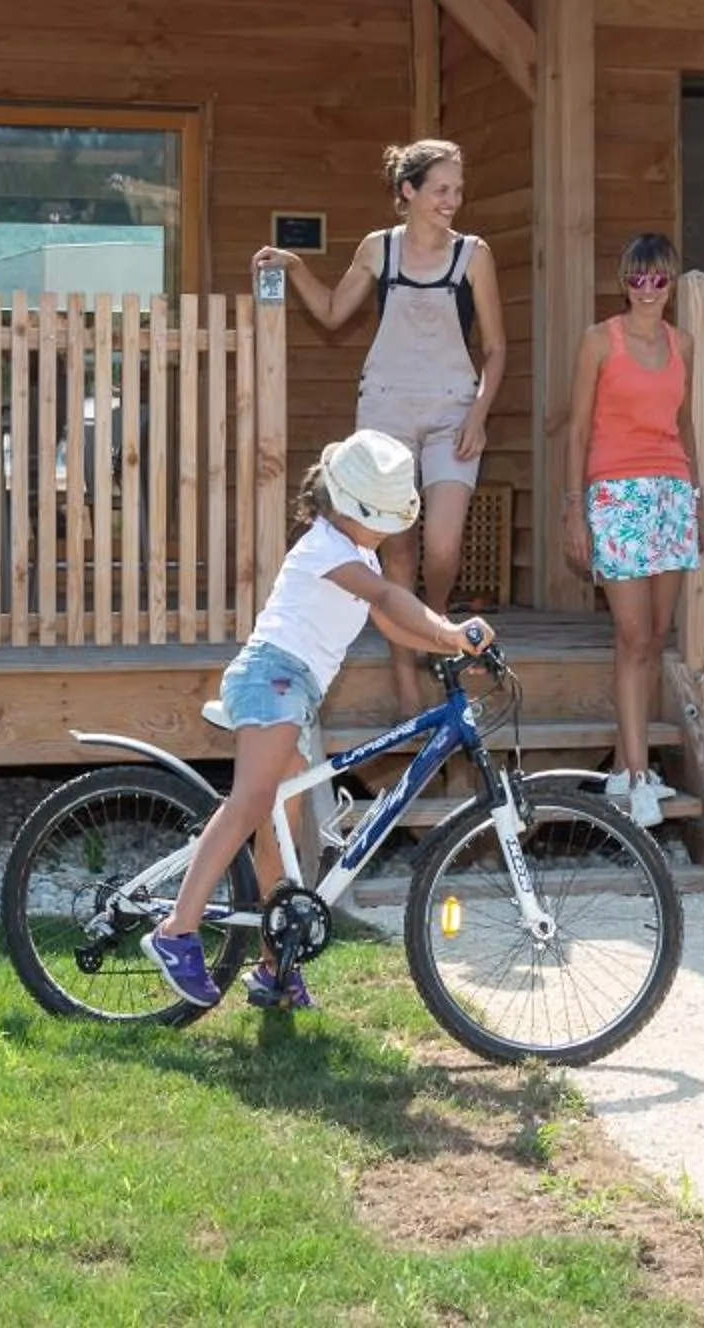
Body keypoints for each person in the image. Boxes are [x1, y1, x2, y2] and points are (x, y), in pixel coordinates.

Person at [144, 430, 490, 1012]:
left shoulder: (358, 553)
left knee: (282, 822)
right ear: (350, 509)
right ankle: (177, 930)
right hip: (271, 676)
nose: (387, 530)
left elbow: (393, 623)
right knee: (253, 801)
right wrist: (450, 631)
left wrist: (446, 643)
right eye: (380, 518)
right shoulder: (327, 549)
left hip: (294, 690)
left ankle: (274, 963)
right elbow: (388, 600)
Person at [253, 140, 506, 723]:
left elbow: (494, 348)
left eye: (458, 190)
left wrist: (478, 415)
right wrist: (294, 267)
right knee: (396, 550)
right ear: (408, 193)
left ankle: (431, 626)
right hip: (386, 413)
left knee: (441, 547)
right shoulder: (378, 250)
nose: (453, 201)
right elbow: (333, 313)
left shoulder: (474, 255)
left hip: (452, 412)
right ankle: (404, 677)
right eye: (441, 189)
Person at [561, 232, 704, 829]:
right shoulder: (600, 341)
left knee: (655, 636)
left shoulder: (684, 345)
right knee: (630, 635)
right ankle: (630, 774)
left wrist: (699, 502)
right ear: (623, 281)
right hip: (615, 494)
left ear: (672, 283)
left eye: (658, 279)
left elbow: (685, 427)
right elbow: (577, 431)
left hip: (671, 493)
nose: (647, 289)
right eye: (636, 278)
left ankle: (637, 769)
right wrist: (573, 509)